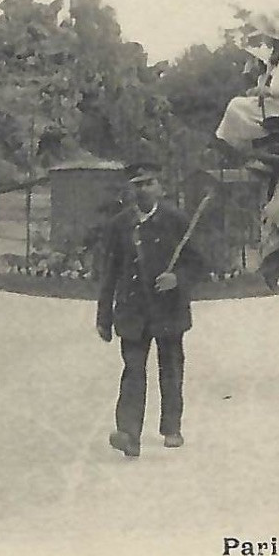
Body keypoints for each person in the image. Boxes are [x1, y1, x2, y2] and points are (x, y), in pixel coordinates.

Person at [95, 162, 207, 457]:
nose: (143, 189)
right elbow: (109, 272)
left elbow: (199, 263)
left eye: (149, 183)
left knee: (170, 367)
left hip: (168, 310)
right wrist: (104, 317)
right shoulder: (119, 225)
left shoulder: (177, 220)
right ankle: (129, 433)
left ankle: (171, 426)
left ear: (160, 187)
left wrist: (177, 279)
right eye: (137, 184)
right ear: (129, 189)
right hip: (133, 310)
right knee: (133, 369)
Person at [214, 14, 279, 168]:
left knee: (236, 105)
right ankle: (255, 151)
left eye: (270, 37)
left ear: (277, 40)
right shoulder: (276, 58)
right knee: (238, 106)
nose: (267, 40)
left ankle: (257, 151)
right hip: (278, 103)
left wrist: (261, 90)